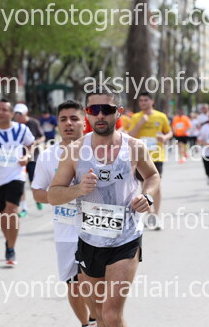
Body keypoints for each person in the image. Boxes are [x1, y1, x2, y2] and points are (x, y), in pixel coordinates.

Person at [48, 86, 159, 327]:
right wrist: (78, 189)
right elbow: (53, 195)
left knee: (111, 314)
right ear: (87, 113)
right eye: (94, 110)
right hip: (89, 240)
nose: (100, 115)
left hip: (126, 238)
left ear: (118, 112)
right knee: (98, 313)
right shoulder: (74, 151)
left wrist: (147, 196)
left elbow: (152, 175)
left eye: (106, 109)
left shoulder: (134, 147)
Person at [32, 100, 97, 327]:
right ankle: (87, 323)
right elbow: (37, 192)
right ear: (57, 124)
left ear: (84, 122)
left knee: (93, 282)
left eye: (74, 118)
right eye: (63, 119)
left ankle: (98, 318)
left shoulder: (99, 151)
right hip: (66, 231)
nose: (68, 123)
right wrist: (64, 194)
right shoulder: (48, 156)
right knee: (74, 284)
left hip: (97, 229)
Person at [0, 99, 35, 266]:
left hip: (16, 175)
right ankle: (8, 240)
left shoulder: (21, 129)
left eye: (4, 109)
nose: (0, 112)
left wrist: (27, 156)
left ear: (11, 113)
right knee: (3, 214)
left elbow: (31, 144)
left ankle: (11, 248)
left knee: (12, 210)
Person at [128, 93, 172, 230]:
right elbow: (130, 136)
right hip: (141, 158)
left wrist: (165, 138)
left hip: (157, 155)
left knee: (156, 186)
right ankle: (150, 213)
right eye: (140, 101)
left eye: (145, 100)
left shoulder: (161, 116)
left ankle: (156, 216)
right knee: (144, 187)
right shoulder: (136, 117)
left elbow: (170, 132)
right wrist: (140, 124)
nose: (143, 103)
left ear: (152, 101)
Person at [13, 103, 45, 216]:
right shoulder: (14, 126)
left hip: (32, 157)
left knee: (32, 182)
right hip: (18, 158)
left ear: (25, 113)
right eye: (16, 114)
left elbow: (42, 136)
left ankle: (37, 199)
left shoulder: (33, 123)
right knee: (20, 183)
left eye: (20, 114)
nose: (18, 116)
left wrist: (36, 142)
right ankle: (24, 208)